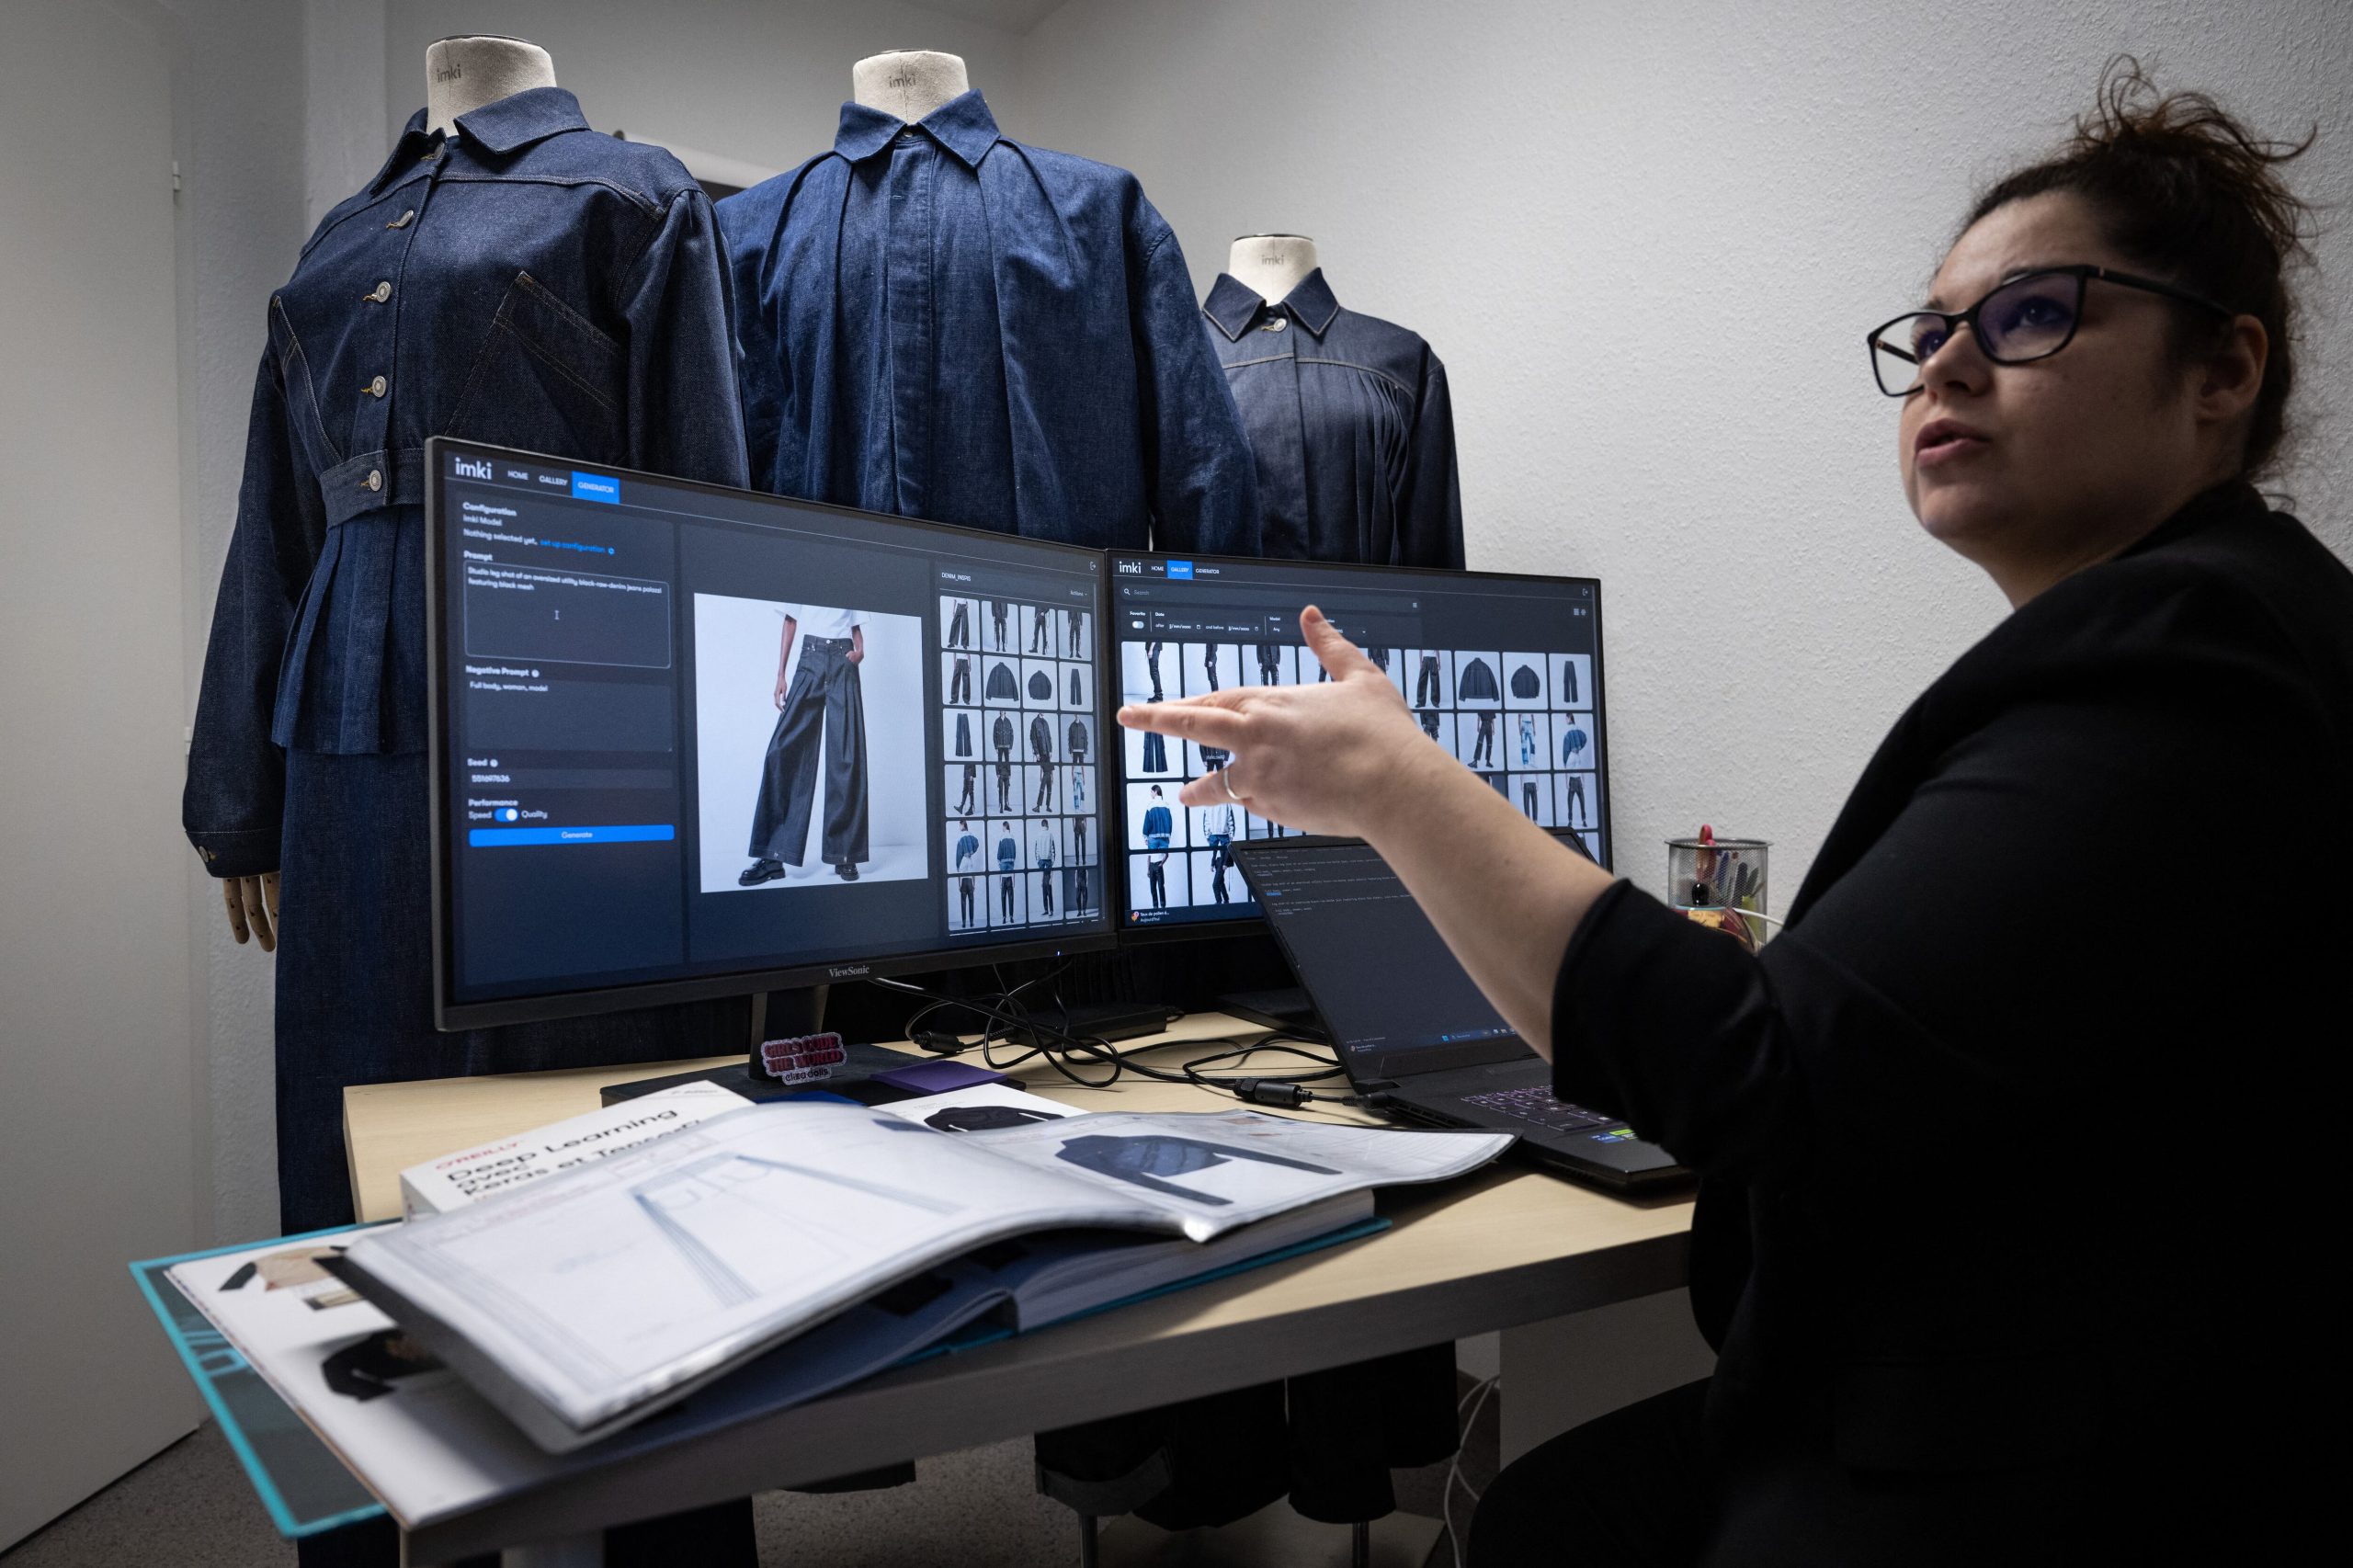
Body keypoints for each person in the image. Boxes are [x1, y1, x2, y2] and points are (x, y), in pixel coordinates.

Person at [1118, 64, 2342, 1562]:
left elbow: (1758, 1077)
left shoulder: (2195, 659)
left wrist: (1395, 783)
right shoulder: (2216, 630)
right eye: (1931, 330)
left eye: (2031, 314)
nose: (1949, 366)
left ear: (2223, 371)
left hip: (2042, 1465)